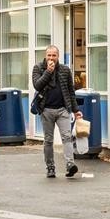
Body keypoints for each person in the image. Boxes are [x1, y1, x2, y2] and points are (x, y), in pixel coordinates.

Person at [31, 45, 82, 179]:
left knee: (67, 137)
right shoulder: (38, 68)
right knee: (48, 140)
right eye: (49, 55)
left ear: (58, 56)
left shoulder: (65, 70)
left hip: (63, 109)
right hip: (46, 109)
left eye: (54, 55)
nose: (51, 58)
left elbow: (71, 92)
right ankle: (50, 167)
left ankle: (70, 164)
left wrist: (76, 110)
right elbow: (37, 85)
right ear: (45, 56)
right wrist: (48, 71)